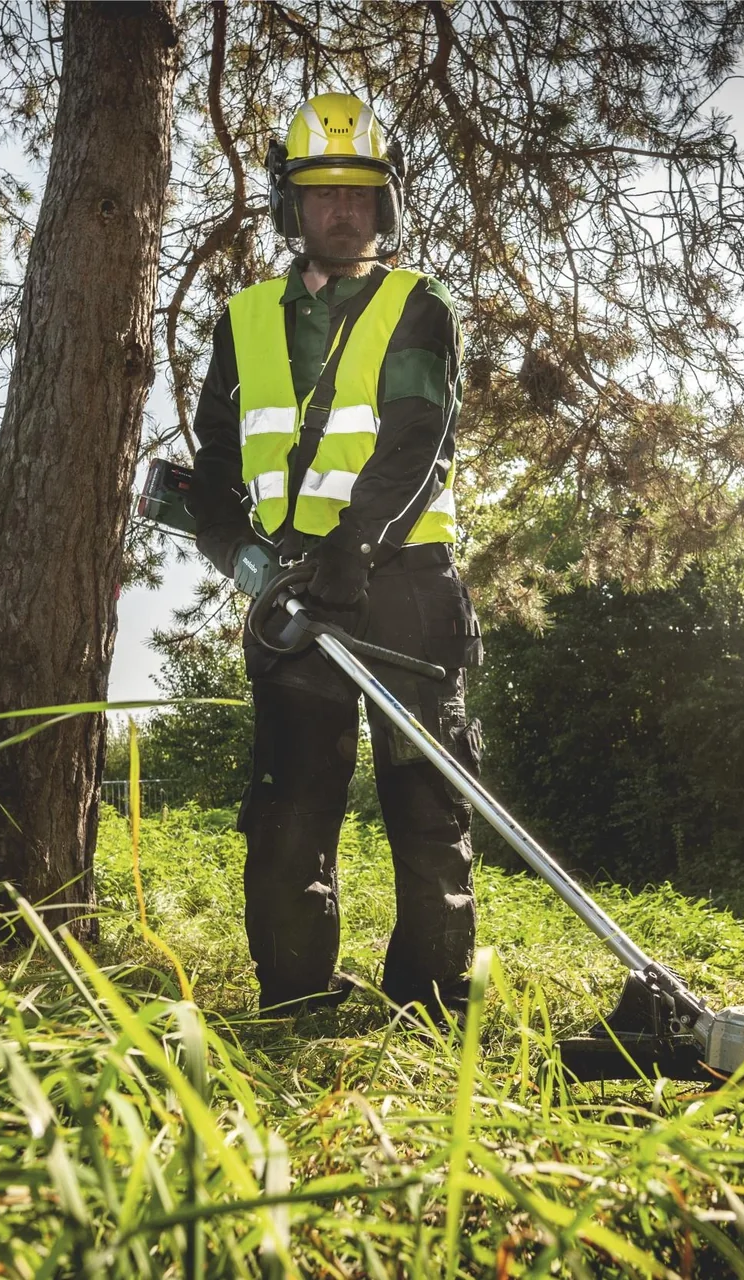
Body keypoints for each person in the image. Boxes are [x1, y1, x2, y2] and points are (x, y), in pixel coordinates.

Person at [184, 93, 483, 1020]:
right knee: (289, 803)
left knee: (425, 798)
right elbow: (215, 464)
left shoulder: (417, 306)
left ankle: (429, 1002)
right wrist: (235, 547)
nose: (343, 211)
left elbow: (416, 438)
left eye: (361, 193)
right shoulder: (242, 322)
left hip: (402, 584)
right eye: (323, 195)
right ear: (292, 207)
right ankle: (294, 997)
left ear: (384, 205)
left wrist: (356, 544)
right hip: (292, 593)